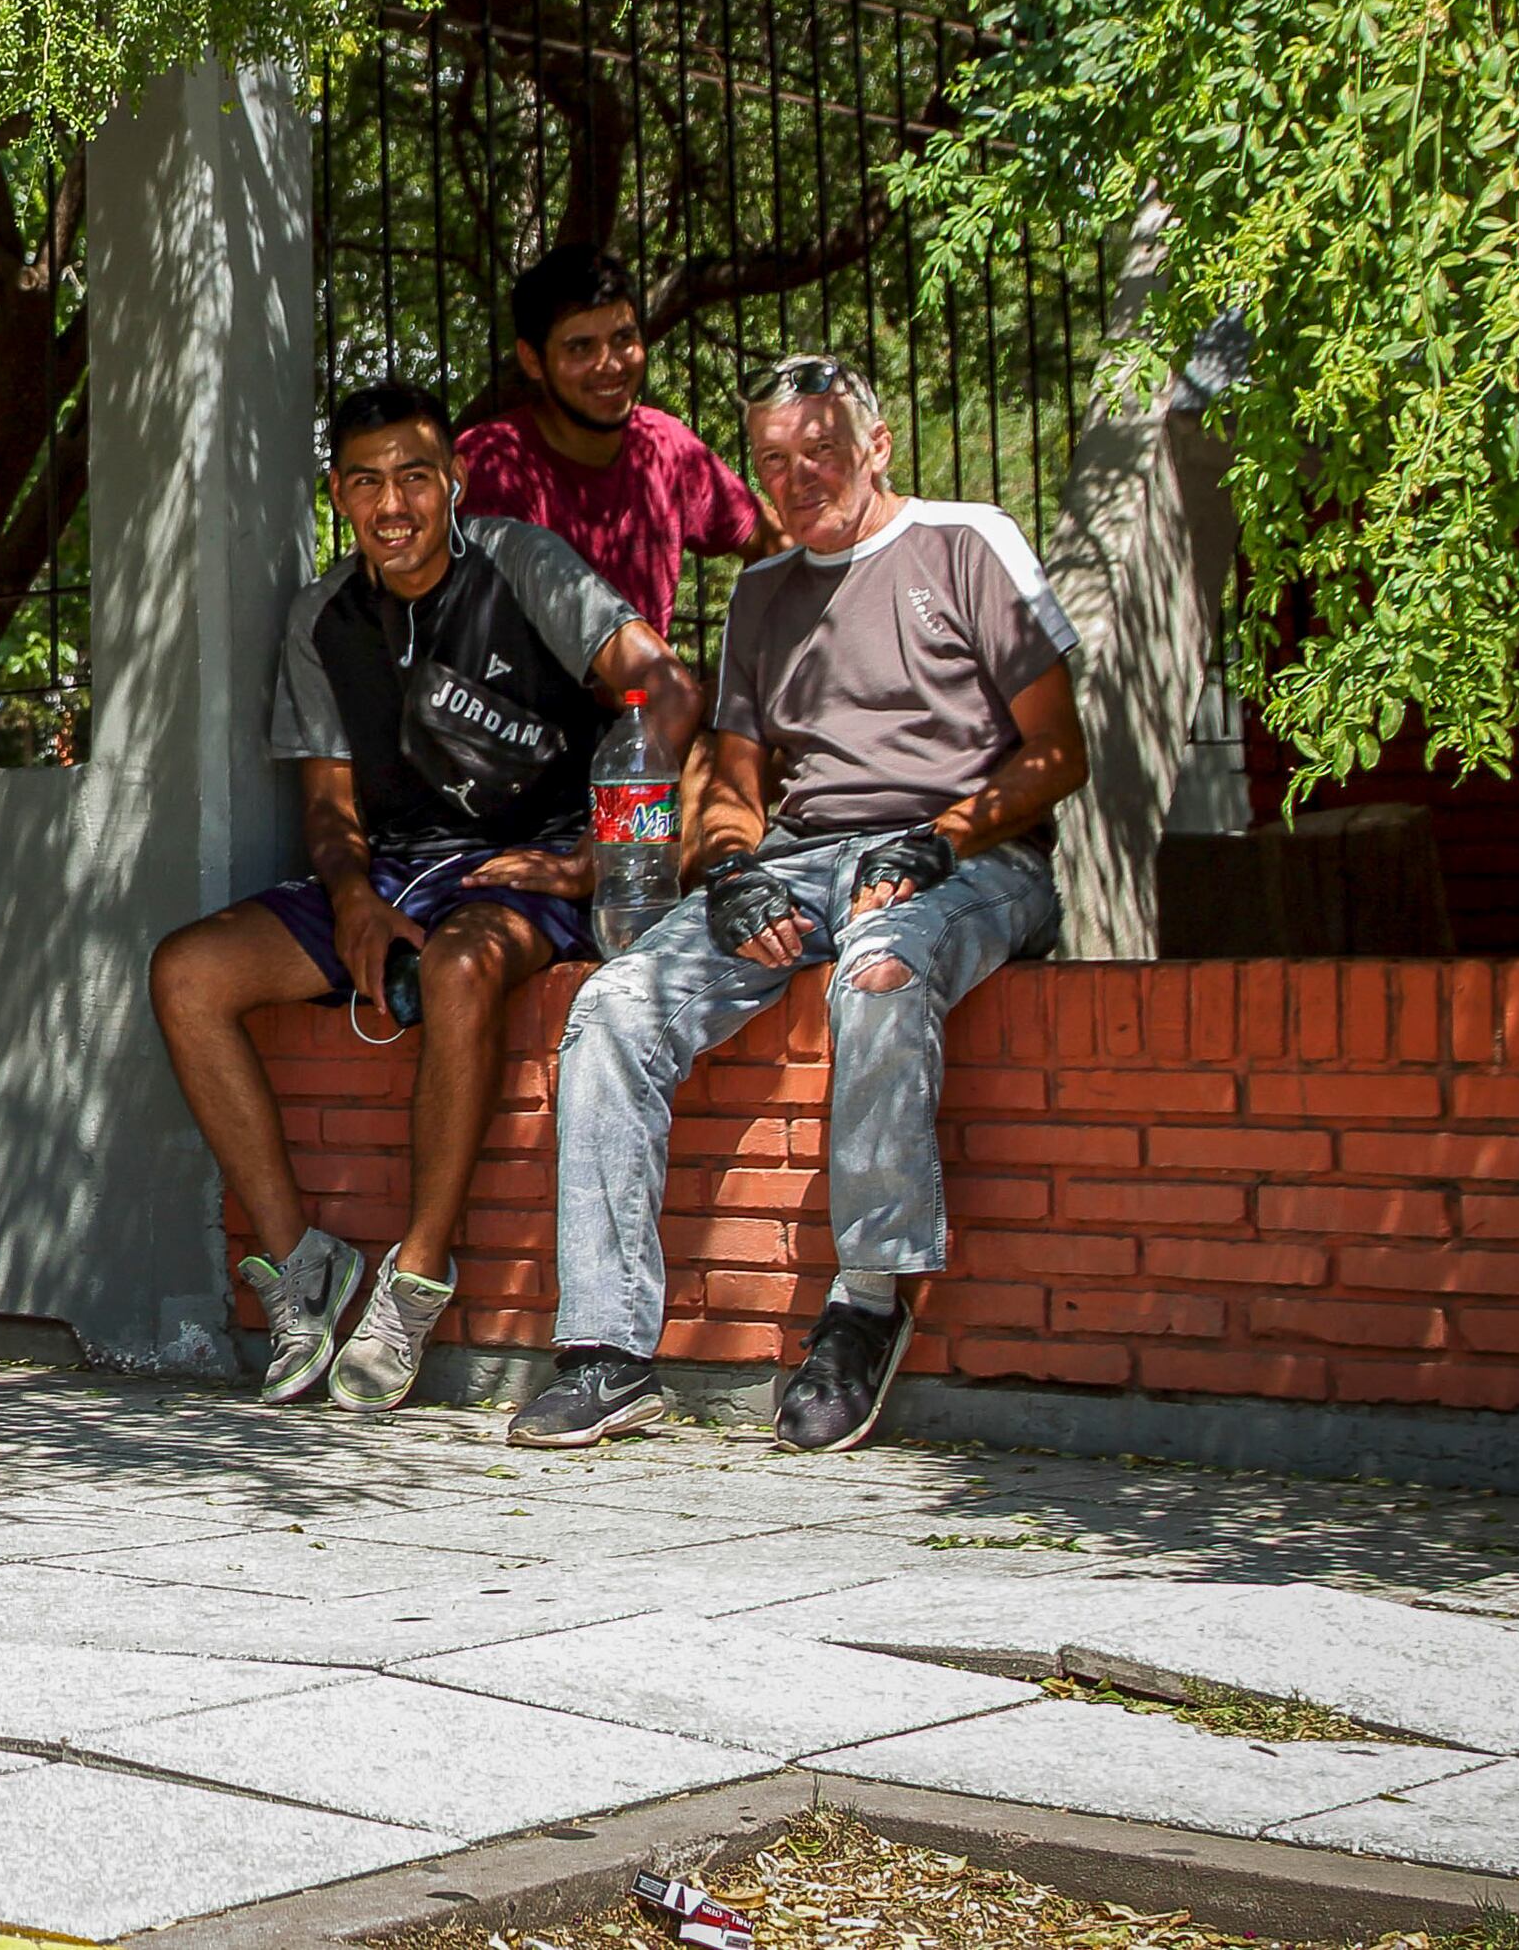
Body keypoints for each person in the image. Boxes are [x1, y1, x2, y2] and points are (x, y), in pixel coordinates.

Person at [510, 354, 1087, 1455]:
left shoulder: (966, 542)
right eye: (772, 459)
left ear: (874, 444)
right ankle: (603, 1351)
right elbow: (731, 783)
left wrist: (940, 839)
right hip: (802, 857)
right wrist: (727, 873)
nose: (797, 474)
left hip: (971, 851)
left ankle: (868, 1299)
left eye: (820, 448)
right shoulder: (764, 595)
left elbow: (1059, 752)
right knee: (611, 1006)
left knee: (878, 968)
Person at [149, 380, 696, 1412]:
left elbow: (664, 689)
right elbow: (324, 799)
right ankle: (299, 1267)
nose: (390, 504)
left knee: (457, 967)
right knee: (185, 972)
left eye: (412, 477)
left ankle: (414, 1277)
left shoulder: (520, 562)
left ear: (452, 481)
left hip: (520, 862)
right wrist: (350, 896)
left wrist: (593, 855)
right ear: (337, 496)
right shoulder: (322, 615)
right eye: (365, 483)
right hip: (397, 868)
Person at [452, 243, 776, 636]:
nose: (610, 364)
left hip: (647, 694)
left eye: (624, 338)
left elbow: (776, 545)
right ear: (532, 360)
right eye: (581, 347)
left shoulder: (664, 444)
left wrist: (746, 667)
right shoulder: (490, 465)